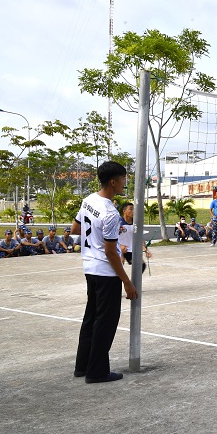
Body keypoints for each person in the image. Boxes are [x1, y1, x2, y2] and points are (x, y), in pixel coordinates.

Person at [71, 160, 138, 383]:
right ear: (112, 182)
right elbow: (110, 252)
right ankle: (97, 372)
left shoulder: (89, 200)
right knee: (105, 323)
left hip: (89, 267)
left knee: (91, 318)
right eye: (123, 179)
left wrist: (95, 240)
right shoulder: (110, 213)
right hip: (105, 272)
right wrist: (126, 281)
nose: (124, 183)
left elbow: (75, 228)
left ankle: (82, 366)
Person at [118, 202, 150, 274]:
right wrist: (119, 247)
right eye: (131, 209)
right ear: (124, 211)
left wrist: (146, 250)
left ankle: (133, 281)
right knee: (119, 265)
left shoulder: (136, 223)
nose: (133, 211)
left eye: (134, 209)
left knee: (141, 265)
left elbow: (140, 237)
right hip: (120, 249)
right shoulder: (118, 222)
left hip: (130, 250)